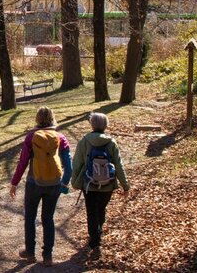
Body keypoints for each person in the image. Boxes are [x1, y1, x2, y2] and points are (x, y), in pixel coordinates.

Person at [9, 107, 72, 266]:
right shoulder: (61, 137)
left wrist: (14, 183)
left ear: (37, 119)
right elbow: (69, 167)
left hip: (33, 183)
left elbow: (23, 162)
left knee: (30, 217)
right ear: (53, 118)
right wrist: (64, 182)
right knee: (48, 218)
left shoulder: (31, 137)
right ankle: (48, 256)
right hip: (54, 184)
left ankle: (30, 253)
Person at [70, 112, 130, 260]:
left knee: (91, 211)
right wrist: (125, 185)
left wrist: (75, 181)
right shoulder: (111, 142)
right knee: (101, 208)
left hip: (89, 184)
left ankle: (94, 240)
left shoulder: (84, 141)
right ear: (105, 125)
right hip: (107, 185)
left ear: (92, 124)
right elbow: (119, 165)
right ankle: (99, 231)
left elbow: (77, 163)